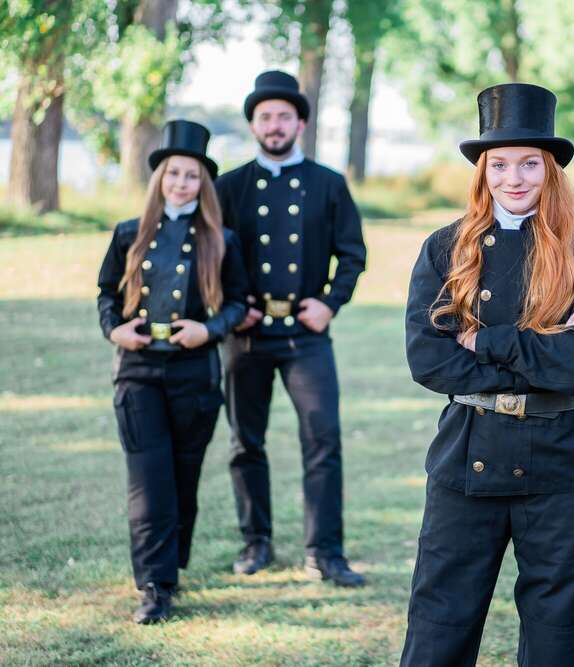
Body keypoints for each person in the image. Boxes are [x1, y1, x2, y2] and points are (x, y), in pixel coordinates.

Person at [399, 83, 574, 666]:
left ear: (551, 172)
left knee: (555, 629)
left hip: (562, 461)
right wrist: (541, 345)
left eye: (529, 164)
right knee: (440, 623)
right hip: (468, 453)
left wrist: (484, 339)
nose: (514, 177)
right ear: (482, 171)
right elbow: (429, 360)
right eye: (500, 164)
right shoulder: (444, 250)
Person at [214, 70, 368, 585]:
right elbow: (210, 260)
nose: (274, 125)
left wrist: (329, 302)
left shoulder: (328, 183)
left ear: (300, 122)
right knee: (245, 441)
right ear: (253, 125)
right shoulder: (227, 187)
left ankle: (325, 552)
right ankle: (255, 543)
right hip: (248, 336)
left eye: (284, 116)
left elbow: (352, 254)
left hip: (306, 334)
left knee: (323, 438)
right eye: (265, 117)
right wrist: (234, 306)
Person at [97, 120, 248, 624]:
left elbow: (237, 304)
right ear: (159, 178)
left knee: (183, 481)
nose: (181, 183)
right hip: (137, 374)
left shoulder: (220, 239)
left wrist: (208, 331)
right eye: (173, 174)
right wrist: (114, 330)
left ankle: (170, 567)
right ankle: (155, 587)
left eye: (191, 176)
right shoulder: (127, 234)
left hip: (195, 378)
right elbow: (105, 296)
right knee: (149, 483)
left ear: (202, 184)